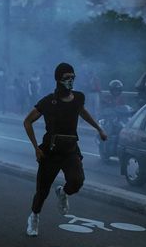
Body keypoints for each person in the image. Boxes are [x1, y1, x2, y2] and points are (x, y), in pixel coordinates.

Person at [22, 63, 107, 237]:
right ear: (58, 79)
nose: (70, 80)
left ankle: (63, 192)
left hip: (70, 149)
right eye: (66, 77)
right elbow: (27, 121)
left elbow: (83, 113)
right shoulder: (48, 101)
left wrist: (98, 128)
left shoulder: (78, 98)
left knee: (77, 181)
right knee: (42, 191)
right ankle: (34, 217)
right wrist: (35, 147)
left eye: (72, 77)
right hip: (50, 151)